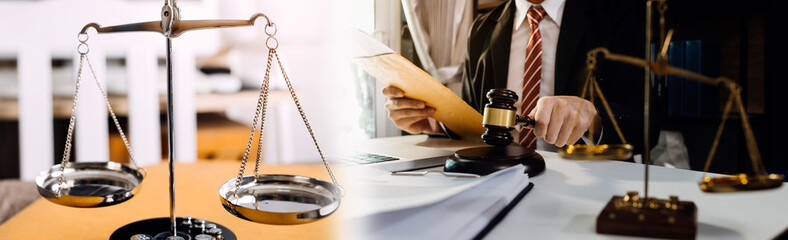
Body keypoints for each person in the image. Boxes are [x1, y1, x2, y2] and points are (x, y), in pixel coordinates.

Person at [384, 0, 652, 153]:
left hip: (586, 187)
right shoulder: (480, 30)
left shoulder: (618, 17)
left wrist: (593, 118)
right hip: (495, 181)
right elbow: (475, 119)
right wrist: (436, 125)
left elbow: (648, 127)